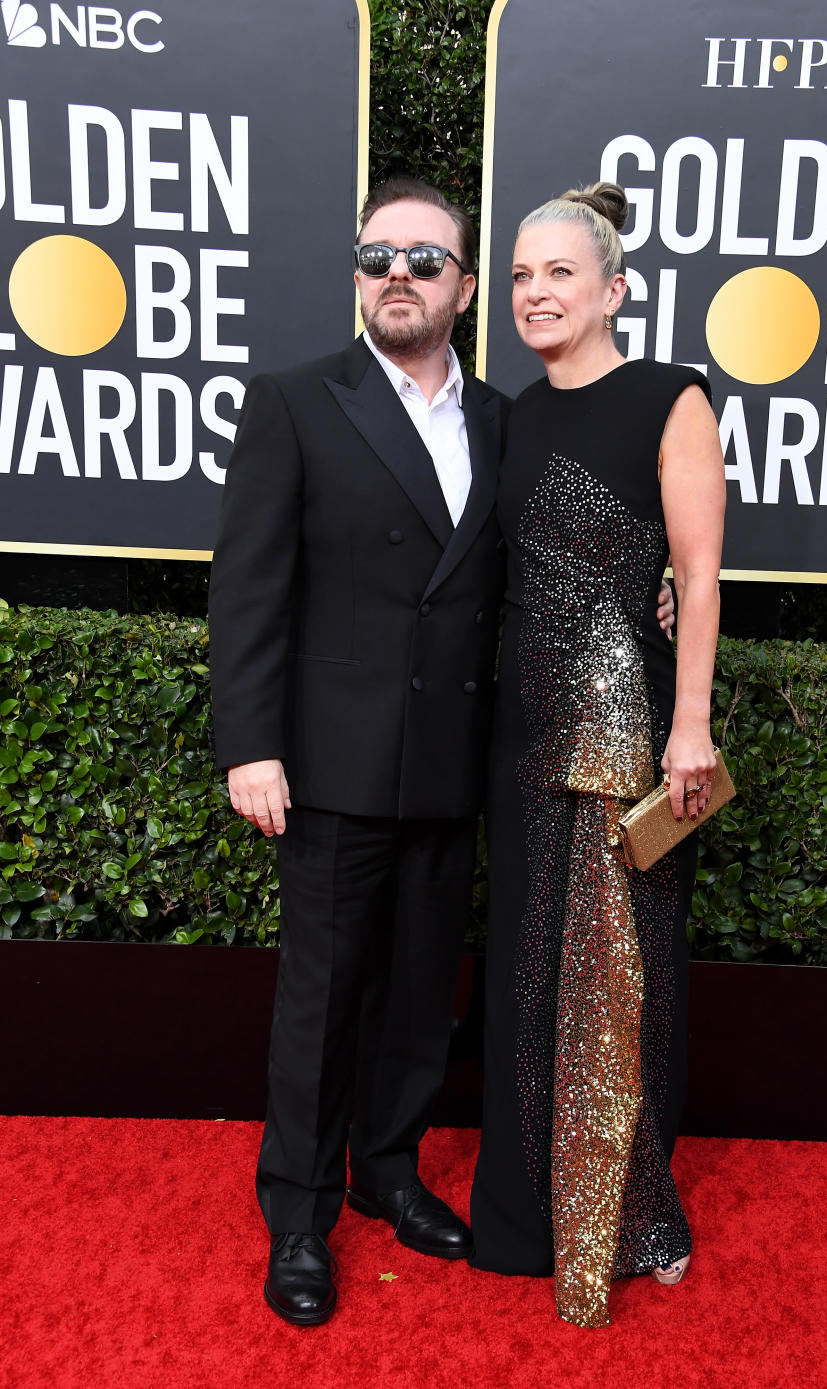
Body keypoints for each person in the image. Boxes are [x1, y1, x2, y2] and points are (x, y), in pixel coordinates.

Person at [208, 176, 511, 1326]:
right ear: (356, 273)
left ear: (464, 288)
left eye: (426, 260)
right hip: (328, 764)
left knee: (420, 993)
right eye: (378, 254)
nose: (399, 273)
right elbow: (247, 591)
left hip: (448, 759)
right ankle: (298, 1212)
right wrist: (251, 744)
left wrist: (663, 593)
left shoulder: (500, 420)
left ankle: (389, 1171)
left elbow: (525, 577)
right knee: (322, 999)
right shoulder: (295, 402)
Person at [468, 182, 725, 1328]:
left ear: (614, 288)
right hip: (520, 740)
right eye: (520, 276)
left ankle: (633, 1220)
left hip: (625, 741)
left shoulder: (670, 399)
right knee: (530, 972)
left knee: (620, 981)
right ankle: (527, 1218)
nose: (535, 293)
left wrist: (689, 723)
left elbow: (701, 576)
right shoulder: (514, 415)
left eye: (558, 274)